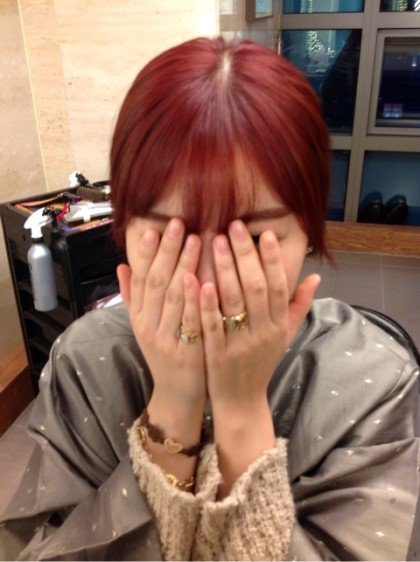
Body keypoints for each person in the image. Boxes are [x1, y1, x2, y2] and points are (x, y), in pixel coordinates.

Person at [0, 36, 419, 561]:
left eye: (251, 241)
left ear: (309, 233)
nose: (209, 284)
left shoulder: (374, 378)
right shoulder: (85, 359)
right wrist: (172, 412)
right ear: (123, 230)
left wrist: (241, 414)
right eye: (171, 238)